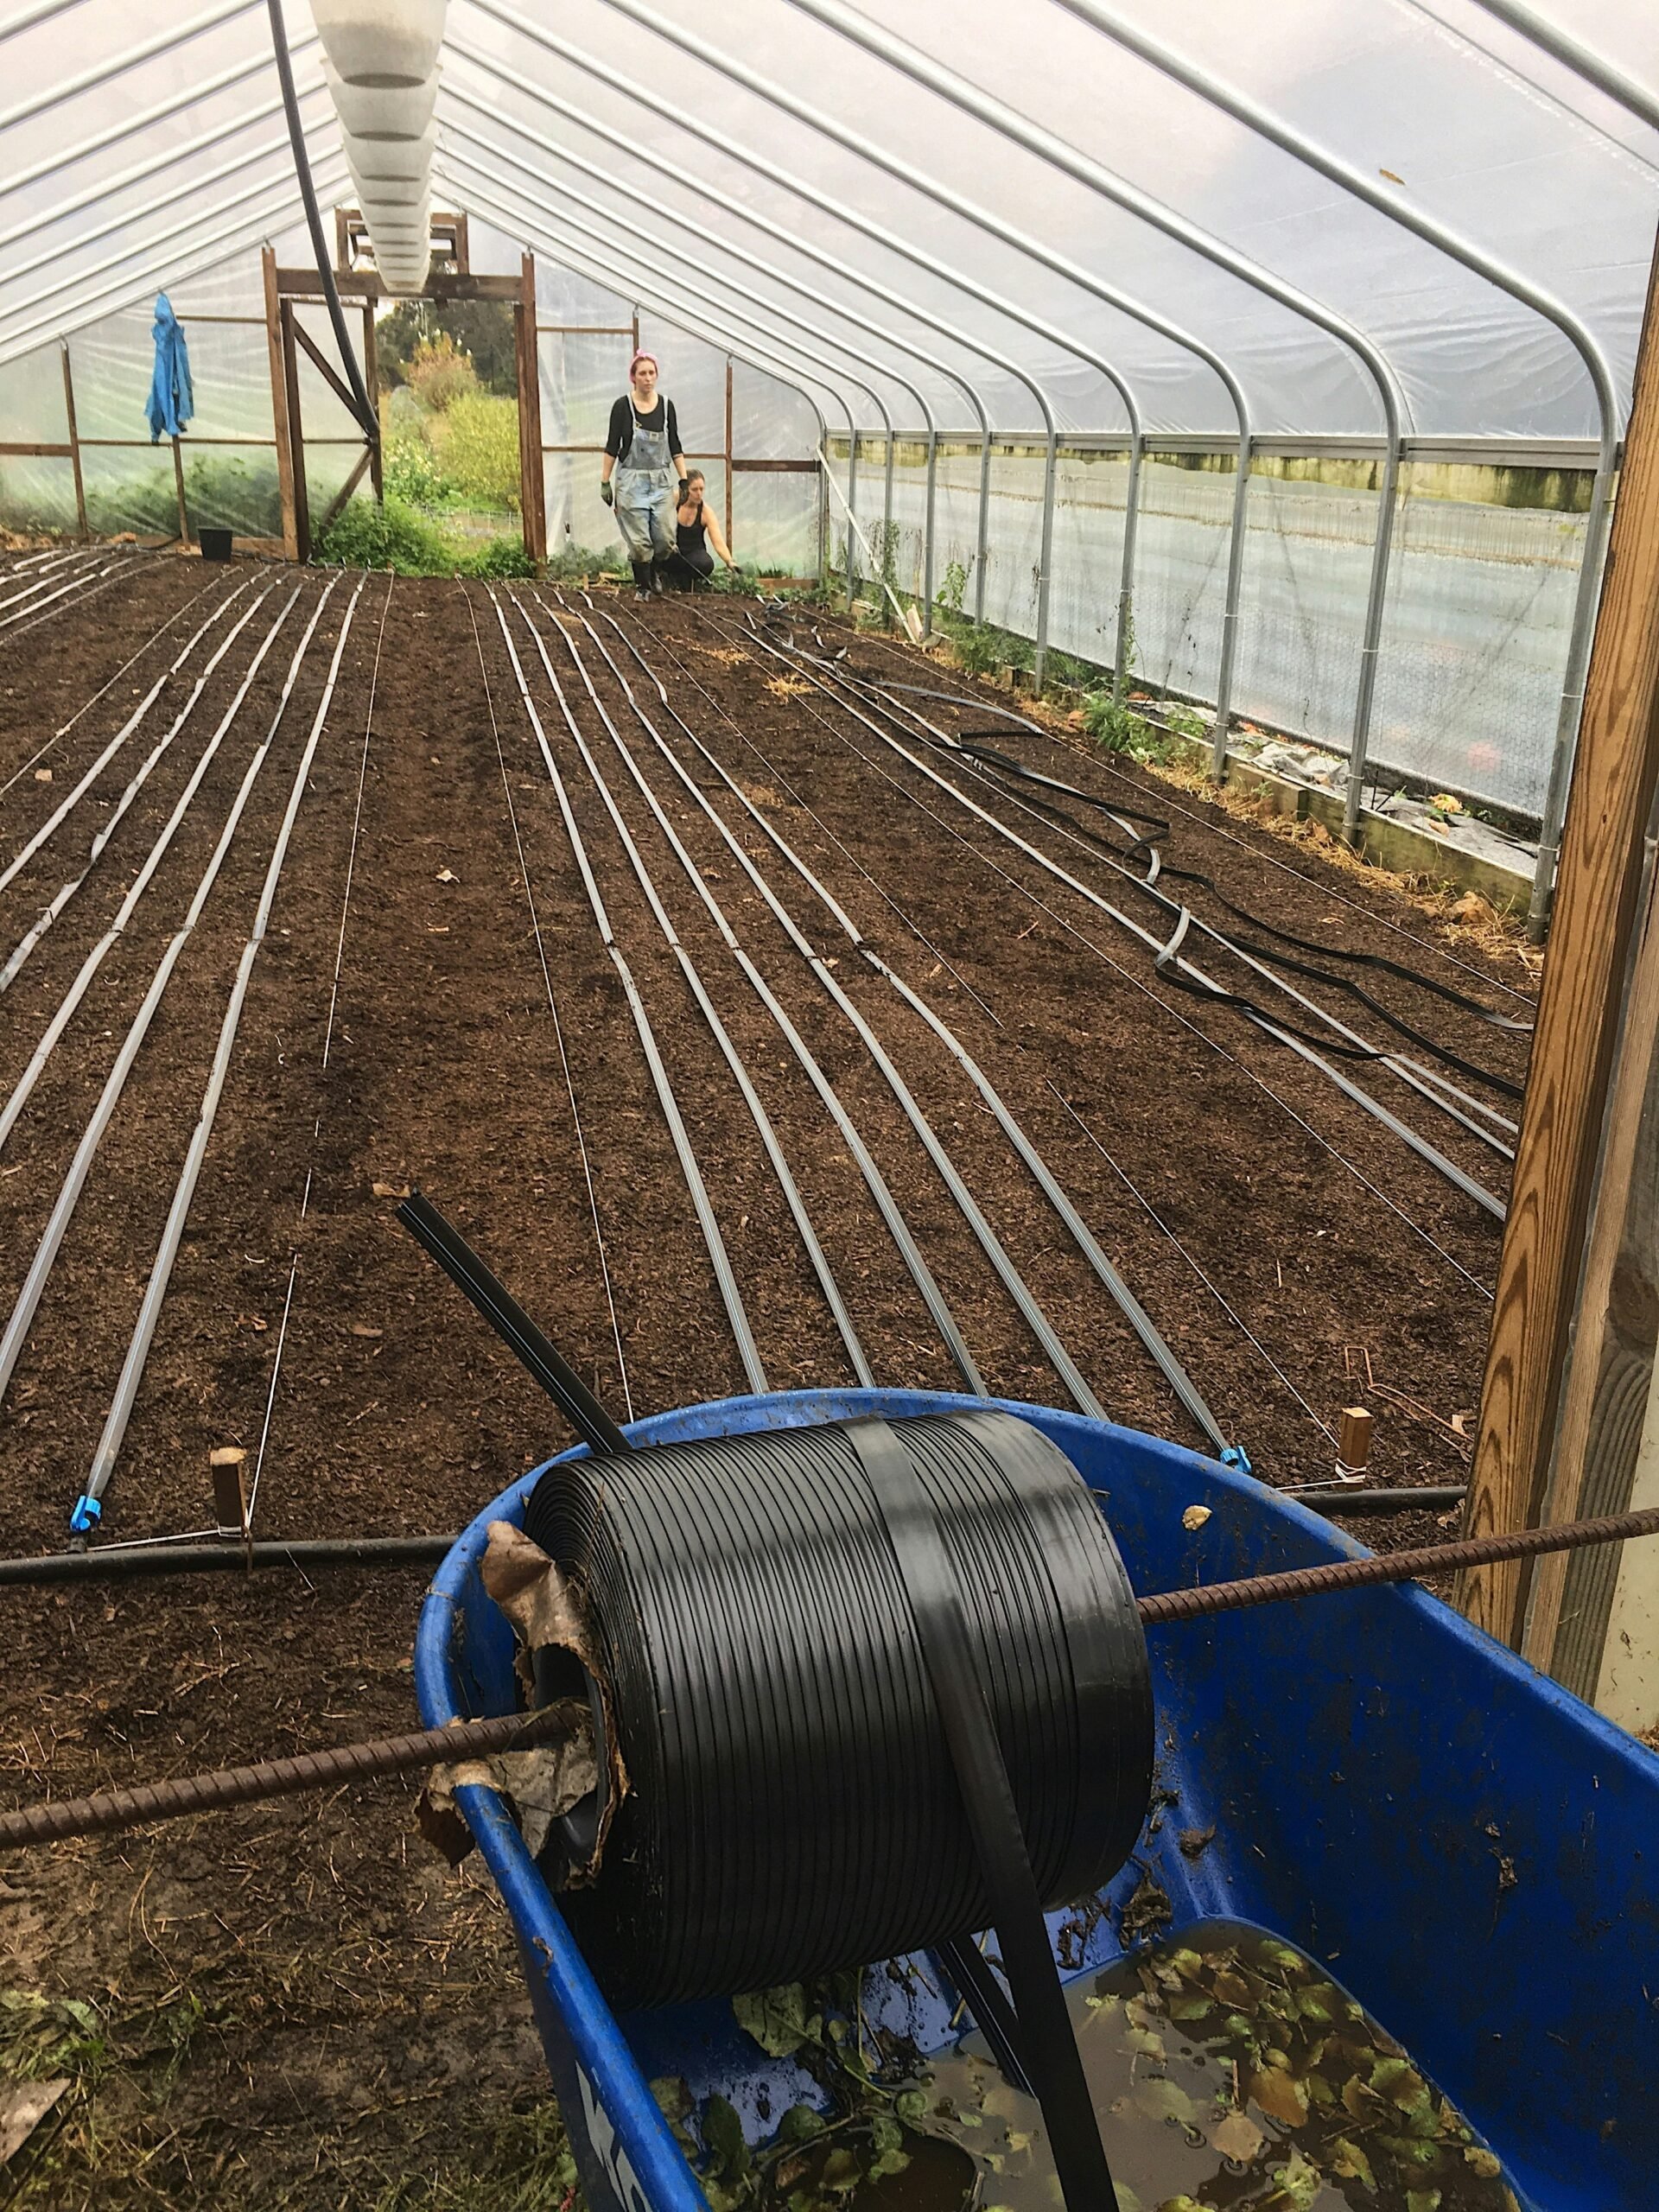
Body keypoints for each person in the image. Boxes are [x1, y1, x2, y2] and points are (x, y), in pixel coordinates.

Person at [600, 350, 688, 599]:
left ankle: (656, 571)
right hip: (631, 481)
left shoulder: (667, 407)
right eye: (642, 373)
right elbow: (611, 445)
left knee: (664, 538)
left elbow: (674, 444)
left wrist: (682, 479)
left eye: (651, 373)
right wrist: (605, 481)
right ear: (633, 377)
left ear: (657, 375)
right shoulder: (622, 407)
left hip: (660, 480)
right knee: (639, 542)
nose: (647, 378)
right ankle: (643, 586)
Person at [667, 469, 736, 590]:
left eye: (701, 489)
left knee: (706, 564)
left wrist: (729, 561)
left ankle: (685, 582)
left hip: (693, 553)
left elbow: (718, 540)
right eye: (694, 489)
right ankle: (661, 578)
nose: (699, 493)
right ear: (685, 489)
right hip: (671, 550)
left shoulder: (706, 512)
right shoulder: (672, 501)